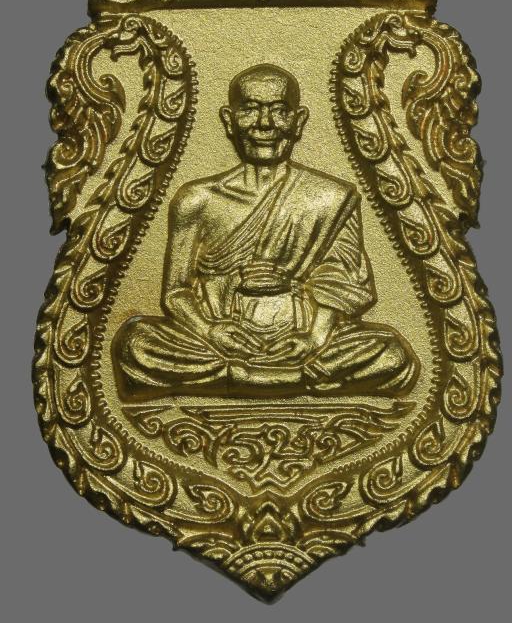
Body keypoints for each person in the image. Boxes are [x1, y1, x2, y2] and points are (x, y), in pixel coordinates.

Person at [113, 64, 419, 398]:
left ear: (298, 121)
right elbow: (176, 292)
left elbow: (343, 280)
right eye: (250, 110)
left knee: (392, 352)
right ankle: (291, 380)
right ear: (229, 120)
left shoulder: (331, 197)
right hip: (219, 340)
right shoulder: (197, 199)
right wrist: (210, 331)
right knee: (136, 343)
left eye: (279, 111)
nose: (264, 124)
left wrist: (315, 337)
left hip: (302, 338)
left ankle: (243, 379)